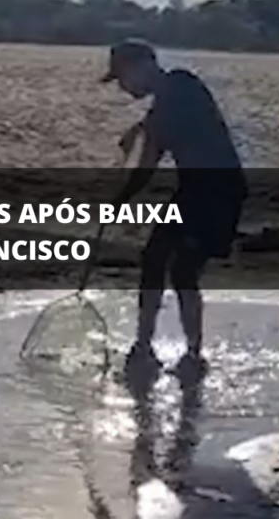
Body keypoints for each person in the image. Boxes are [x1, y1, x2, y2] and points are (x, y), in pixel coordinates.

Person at [102, 39, 247, 376]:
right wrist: (138, 129)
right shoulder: (179, 87)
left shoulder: (181, 85)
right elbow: (162, 118)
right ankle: (144, 346)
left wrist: (118, 203)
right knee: (153, 259)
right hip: (194, 189)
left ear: (142, 67)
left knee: (183, 271)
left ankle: (193, 355)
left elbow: (146, 167)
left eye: (123, 78)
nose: (123, 88)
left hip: (219, 191)